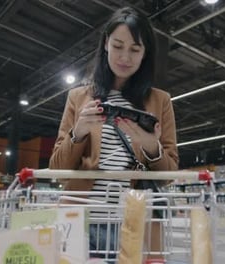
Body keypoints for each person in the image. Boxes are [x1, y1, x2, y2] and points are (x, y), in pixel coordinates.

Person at [49, 6, 178, 262]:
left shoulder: (160, 101)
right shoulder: (78, 98)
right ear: (106, 43)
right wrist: (79, 132)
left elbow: (169, 174)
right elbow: (57, 169)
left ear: (145, 53)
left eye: (134, 49)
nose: (125, 57)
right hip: (83, 218)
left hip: (134, 222)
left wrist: (152, 148)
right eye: (118, 46)